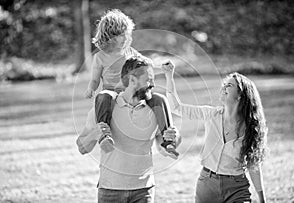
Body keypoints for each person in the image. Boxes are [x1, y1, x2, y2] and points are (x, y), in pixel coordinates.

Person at [77, 57, 181, 203]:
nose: (153, 84)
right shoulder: (105, 108)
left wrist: (175, 137)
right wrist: (96, 133)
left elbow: (163, 149)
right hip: (110, 190)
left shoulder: (155, 108)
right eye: (149, 79)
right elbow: (82, 148)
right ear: (132, 81)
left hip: (144, 190)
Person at [162, 61, 267, 203]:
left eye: (229, 85)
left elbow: (253, 164)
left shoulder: (251, 127)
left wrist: (262, 199)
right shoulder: (210, 114)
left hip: (237, 188)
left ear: (241, 95)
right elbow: (176, 107)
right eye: (224, 85)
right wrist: (169, 75)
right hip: (207, 185)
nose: (223, 88)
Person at [84, 9, 178, 156]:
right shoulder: (100, 57)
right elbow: (95, 78)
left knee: (159, 99)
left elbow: (147, 67)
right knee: (103, 96)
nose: (127, 38)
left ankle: (168, 139)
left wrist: (163, 68)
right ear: (110, 36)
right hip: (113, 93)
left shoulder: (130, 52)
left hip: (133, 91)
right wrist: (91, 88)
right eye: (123, 35)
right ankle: (105, 135)